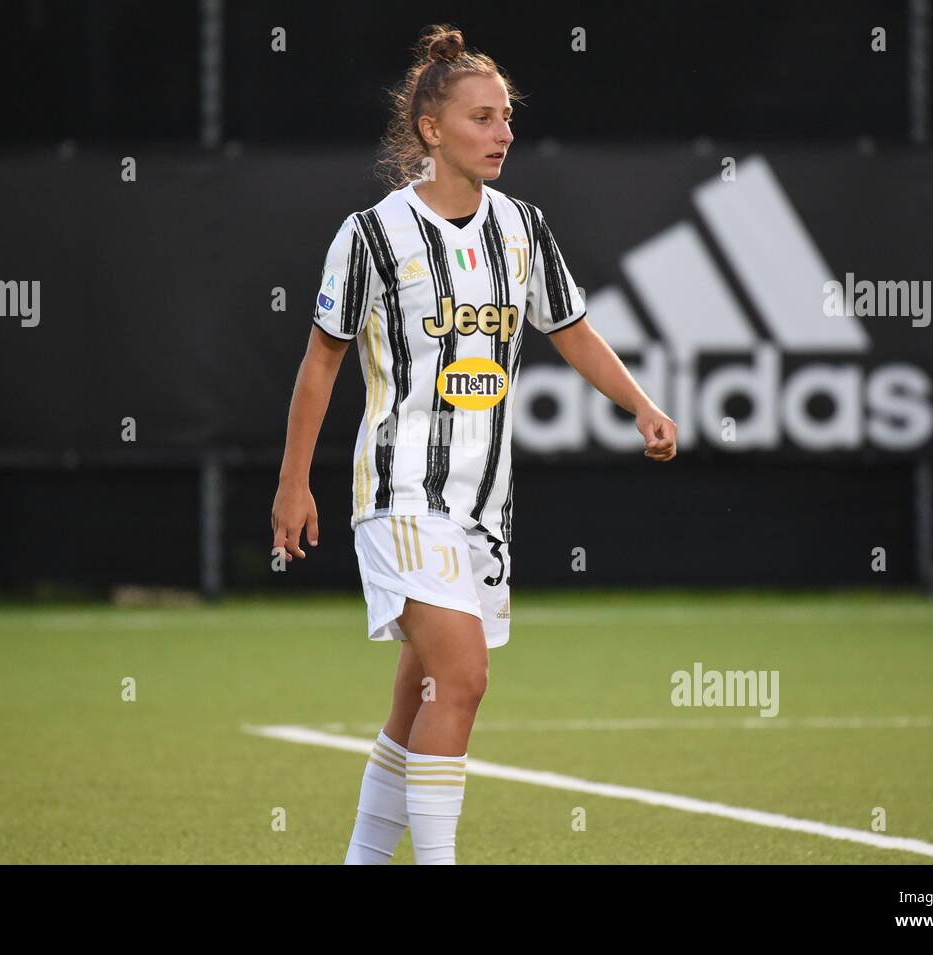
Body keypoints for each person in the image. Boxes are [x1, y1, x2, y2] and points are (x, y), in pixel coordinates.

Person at [270, 24, 677, 865]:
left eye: (507, 118)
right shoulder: (373, 235)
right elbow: (322, 359)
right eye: (484, 118)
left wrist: (641, 404)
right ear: (431, 129)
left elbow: (570, 330)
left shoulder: (521, 227)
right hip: (397, 495)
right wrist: (293, 482)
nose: (504, 134)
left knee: (416, 700)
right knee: (462, 678)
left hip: (481, 510)